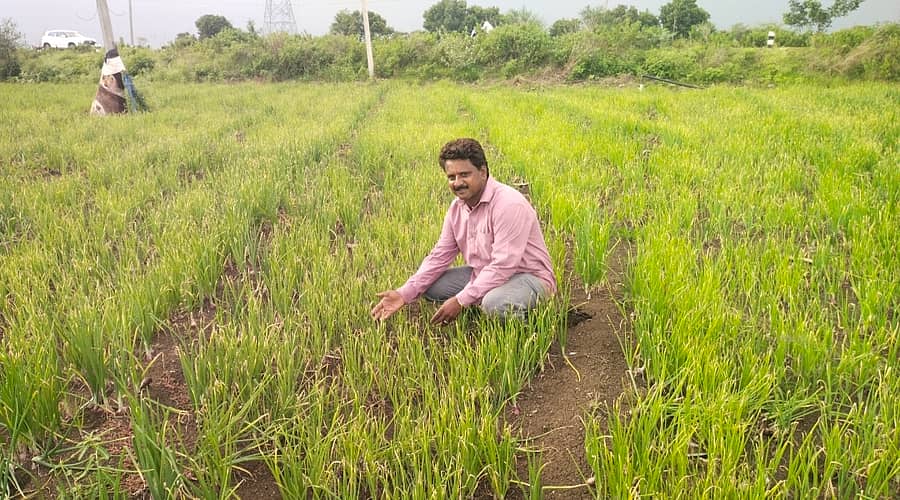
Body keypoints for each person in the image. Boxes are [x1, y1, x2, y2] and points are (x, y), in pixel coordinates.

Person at [371, 138, 557, 324]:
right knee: (430, 286)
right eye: (451, 177)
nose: (457, 183)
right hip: (483, 272)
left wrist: (461, 300)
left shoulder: (508, 204)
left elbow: (503, 266)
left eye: (464, 175)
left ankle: (531, 328)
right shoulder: (457, 209)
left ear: (483, 172)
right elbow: (439, 255)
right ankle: (482, 300)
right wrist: (404, 294)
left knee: (495, 304)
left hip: (528, 278)